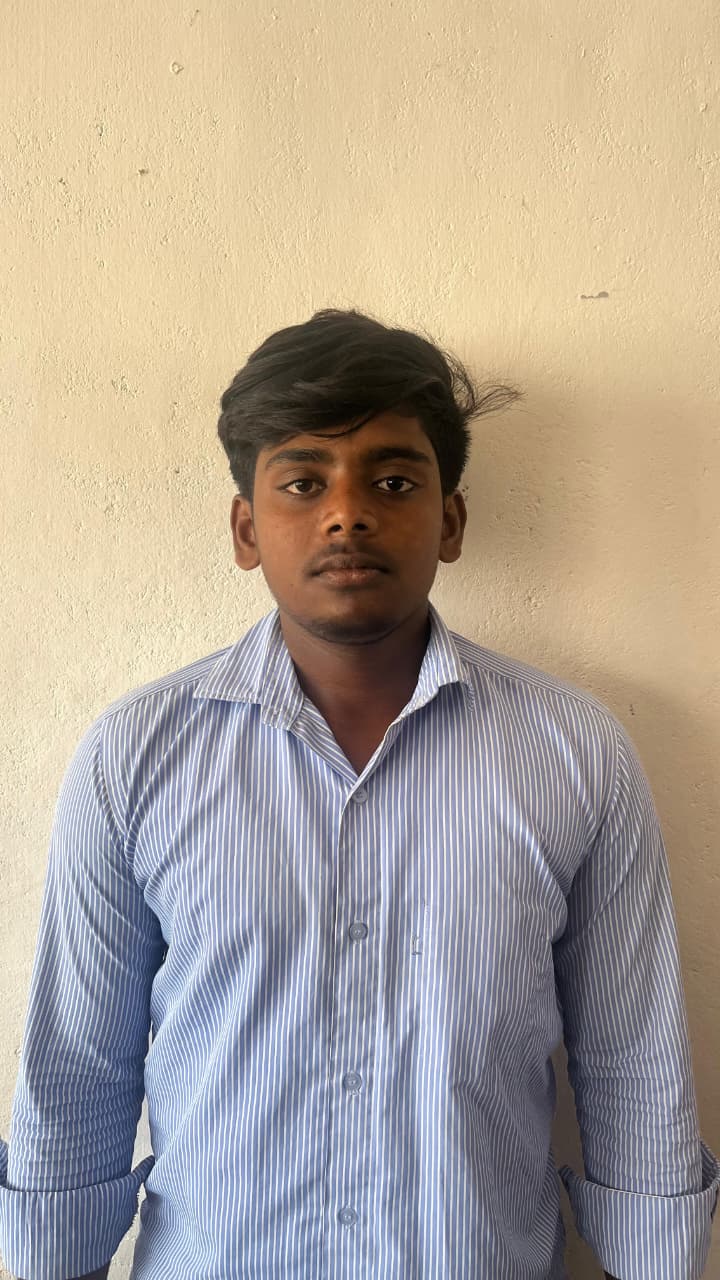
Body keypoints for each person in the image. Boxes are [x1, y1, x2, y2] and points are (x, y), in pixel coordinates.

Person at [0, 309, 717, 1280]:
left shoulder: (575, 754)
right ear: (246, 528)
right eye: (304, 481)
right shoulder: (134, 758)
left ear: (450, 520)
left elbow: (632, 1063)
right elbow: (79, 1071)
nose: (347, 514)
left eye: (392, 480)